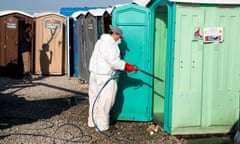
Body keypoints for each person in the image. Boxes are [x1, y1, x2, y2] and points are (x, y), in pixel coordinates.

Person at [88, 27, 138, 131]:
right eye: (119, 36)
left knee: (94, 99)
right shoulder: (109, 44)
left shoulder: (100, 42)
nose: (119, 39)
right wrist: (129, 67)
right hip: (105, 76)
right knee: (106, 100)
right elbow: (114, 62)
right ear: (115, 34)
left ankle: (92, 121)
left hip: (94, 74)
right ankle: (102, 125)